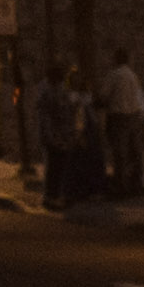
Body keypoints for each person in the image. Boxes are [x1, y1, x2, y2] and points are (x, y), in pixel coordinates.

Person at [99, 48, 144, 199]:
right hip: (133, 116)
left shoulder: (114, 75)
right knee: (135, 151)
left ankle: (121, 186)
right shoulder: (133, 76)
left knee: (120, 153)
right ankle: (137, 184)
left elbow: (104, 95)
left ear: (116, 59)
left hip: (119, 116)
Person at [37, 60, 86, 208]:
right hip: (58, 135)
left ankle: (53, 196)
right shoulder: (54, 92)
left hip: (55, 134)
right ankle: (53, 196)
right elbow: (60, 113)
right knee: (57, 167)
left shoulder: (47, 90)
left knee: (56, 166)